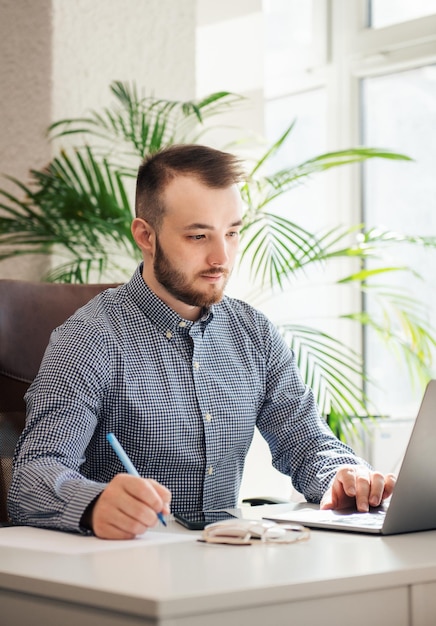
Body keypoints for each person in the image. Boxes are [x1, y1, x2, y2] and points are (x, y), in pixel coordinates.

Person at [8, 144, 396, 540]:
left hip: (230, 560)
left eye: (232, 233)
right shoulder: (90, 338)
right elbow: (32, 477)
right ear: (146, 235)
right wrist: (91, 504)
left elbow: (307, 442)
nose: (221, 257)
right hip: (126, 568)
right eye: (198, 236)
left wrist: (344, 477)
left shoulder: (254, 332)